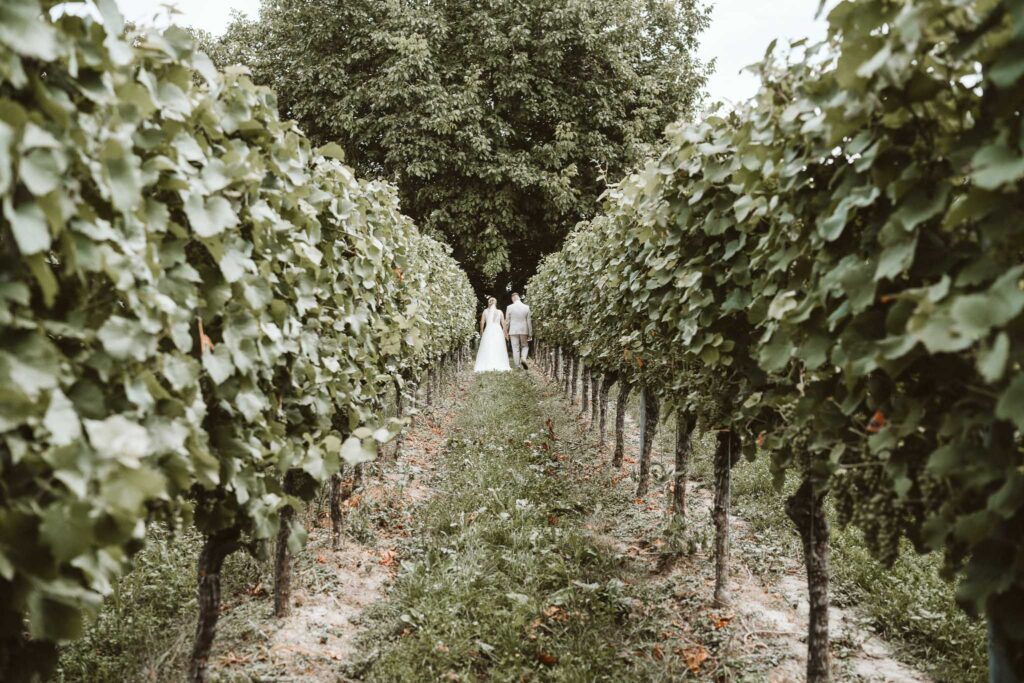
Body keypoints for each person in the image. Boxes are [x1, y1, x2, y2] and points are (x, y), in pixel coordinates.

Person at [473, 297, 511, 372]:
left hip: (488, 330)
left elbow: (482, 322)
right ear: (495, 303)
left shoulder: (485, 311)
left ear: (488, 303)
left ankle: (487, 362)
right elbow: (503, 323)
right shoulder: (500, 312)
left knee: (488, 345)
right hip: (498, 330)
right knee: (498, 345)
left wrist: (481, 330)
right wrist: (505, 333)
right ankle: (498, 362)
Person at [504, 292, 532, 369]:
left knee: (515, 347)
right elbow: (529, 321)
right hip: (524, 330)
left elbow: (507, 321)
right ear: (519, 297)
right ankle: (523, 358)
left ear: (513, 298)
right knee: (525, 346)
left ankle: (517, 366)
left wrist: (505, 332)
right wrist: (530, 333)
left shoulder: (509, 307)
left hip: (513, 330)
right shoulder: (526, 307)